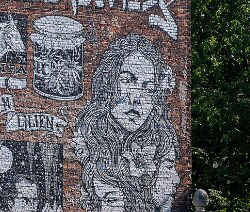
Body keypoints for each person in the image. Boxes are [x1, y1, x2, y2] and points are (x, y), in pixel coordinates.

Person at [73, 34, 179, 211]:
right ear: (109, 83)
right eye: (127, 80)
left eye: (148, 87)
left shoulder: (162, 140)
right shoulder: (90, 137)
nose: (136, 97)